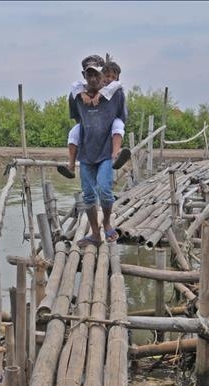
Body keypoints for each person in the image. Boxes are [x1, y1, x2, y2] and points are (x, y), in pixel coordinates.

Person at [69, 55, 129, 247]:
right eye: (89, 75)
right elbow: (78, 119)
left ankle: (107, 223)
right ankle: (95, 233)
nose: (94, 79)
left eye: (97, 74)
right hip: (86, 152)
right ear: (84, 76)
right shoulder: (77, 96)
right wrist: (85, 95)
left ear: (103, 75)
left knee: (104, 190)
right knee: (87, 195)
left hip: (105, 152)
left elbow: (121, 118)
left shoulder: (115, 94)